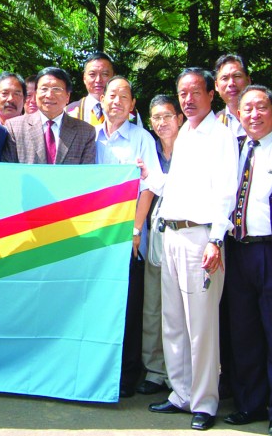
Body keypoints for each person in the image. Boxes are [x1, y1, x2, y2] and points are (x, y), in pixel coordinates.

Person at [148, 68, 238, 431]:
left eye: (194, 92)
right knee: (173, 321)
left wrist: (217, 239)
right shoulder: (185, 131)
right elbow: (179, 184)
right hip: (171, 233)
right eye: (182, 93)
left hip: (200, 239)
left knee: (200, 326)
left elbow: (226, 191)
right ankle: (180, 392)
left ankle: (204, 401)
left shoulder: (220, 135)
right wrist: (148, 177)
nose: (187, 99)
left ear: (210, 94)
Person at [221, 86, 272, 436]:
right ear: (238, 115)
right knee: (244, 333)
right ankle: (250, 403)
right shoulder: (235, 148)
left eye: (260, 107)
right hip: (239, 251)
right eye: (247, 109)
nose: (253, 115)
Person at [94, 77, 163, 400]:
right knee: (99, 306)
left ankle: (127, 375)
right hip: (95, 239)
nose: (117, 101)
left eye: (124, 96)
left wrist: (135, 231)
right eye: (112, 95)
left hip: (128, 238)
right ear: (101, 100)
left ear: (133, 104)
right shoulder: (90, 137)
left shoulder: (141, 139)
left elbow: (148, 187)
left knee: (130, 306)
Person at [136, 94, 183, 398]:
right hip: (156, 232)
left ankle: (180, 371)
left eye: (167, 116)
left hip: (187, 233)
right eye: (156, 118)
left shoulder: (193, 147)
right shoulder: (150, 149)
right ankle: (155, 369)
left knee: (181, 307)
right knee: (152, 304)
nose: (162, 122)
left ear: (179, 118)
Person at [2, 67, 95, 165]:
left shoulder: (85, 132)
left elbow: (86, 176)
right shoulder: (14, 127)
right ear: (36, 93)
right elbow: (9, 171)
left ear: (68, 96)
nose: (49, 95)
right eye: (44, 89)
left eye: (56, 89)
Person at [214, 54, 272, 140]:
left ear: (248, 80)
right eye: (225, 78)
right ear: (216, 85)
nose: (231, 83)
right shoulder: (215, 123)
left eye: (237, 76)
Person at [66, 52, 115, 125]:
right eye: (92, 74)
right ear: (84, 78)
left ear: (113, 77)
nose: (98, 80)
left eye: (105, 74)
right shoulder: (69, 112)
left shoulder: (128, 113)